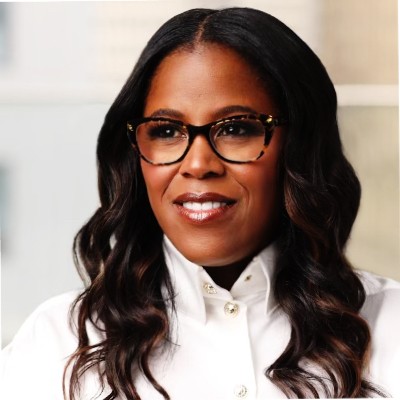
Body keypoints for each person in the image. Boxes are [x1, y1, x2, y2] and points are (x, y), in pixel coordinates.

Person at [2, 7, 400, 400]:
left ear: (300, 147)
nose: (197, 164)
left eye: (236, 128)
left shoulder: (390, 326)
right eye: (166, 131)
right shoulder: (55, 347)